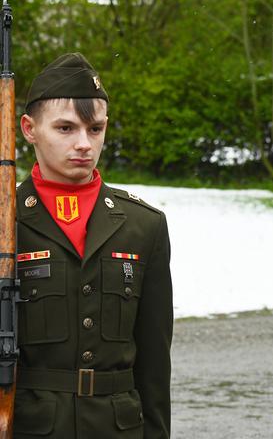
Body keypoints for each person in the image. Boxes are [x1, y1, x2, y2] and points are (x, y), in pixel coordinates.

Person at [13, 53, 172, 438]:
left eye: (95, 129)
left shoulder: (143, 225)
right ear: (29, 129)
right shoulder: (6, 222)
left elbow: (153, 366)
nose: (84, 144)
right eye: (65, 128)